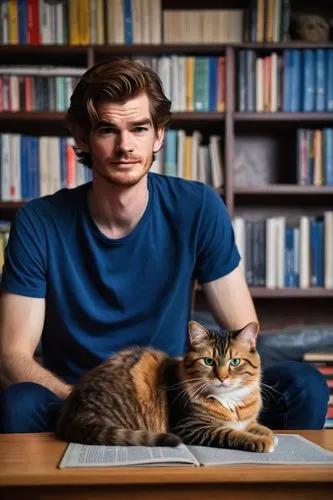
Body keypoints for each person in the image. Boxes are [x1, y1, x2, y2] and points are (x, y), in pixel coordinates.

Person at [0, 59, 328, 434]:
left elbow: (243, 334)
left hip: (175, 395)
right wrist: (91, 403)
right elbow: (12, 359)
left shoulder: (198, 207)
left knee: (305, 385)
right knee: (18, 402)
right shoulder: (38, 221)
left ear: (158, 136)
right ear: (82, 137)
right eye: (108, 129)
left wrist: (215, 399)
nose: (125, 146)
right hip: (73, 400)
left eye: (138, 128)